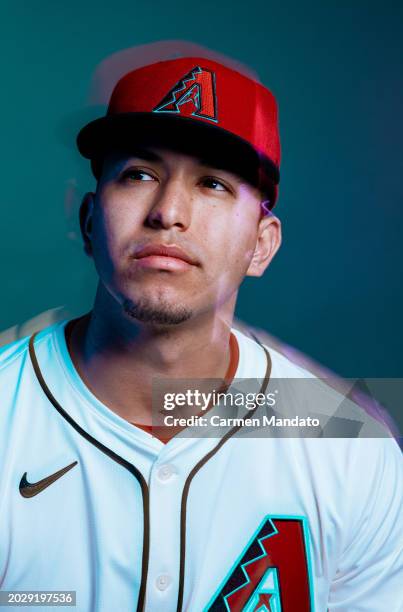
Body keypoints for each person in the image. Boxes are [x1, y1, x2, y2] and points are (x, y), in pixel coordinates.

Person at [0, 55, 401, 612]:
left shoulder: (347, 445)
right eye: (139, 173)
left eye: (212, 183)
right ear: (91, 221)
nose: (168, 212)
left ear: (261, 244)